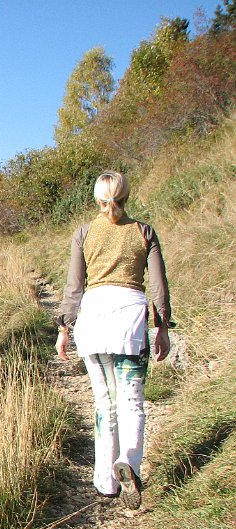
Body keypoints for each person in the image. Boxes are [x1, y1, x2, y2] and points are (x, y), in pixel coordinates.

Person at [55, 170, 173, 509]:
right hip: (130, 320)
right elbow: (158, 285)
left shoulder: (84, 233)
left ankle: (105, 481)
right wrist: (162, 324)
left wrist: (64, 329)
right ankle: (130, 461)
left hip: (93, 319)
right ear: (127, 195)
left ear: (97, 199)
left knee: (104, 403)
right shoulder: (144, 232)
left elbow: (74, 286)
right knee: (132, 400)